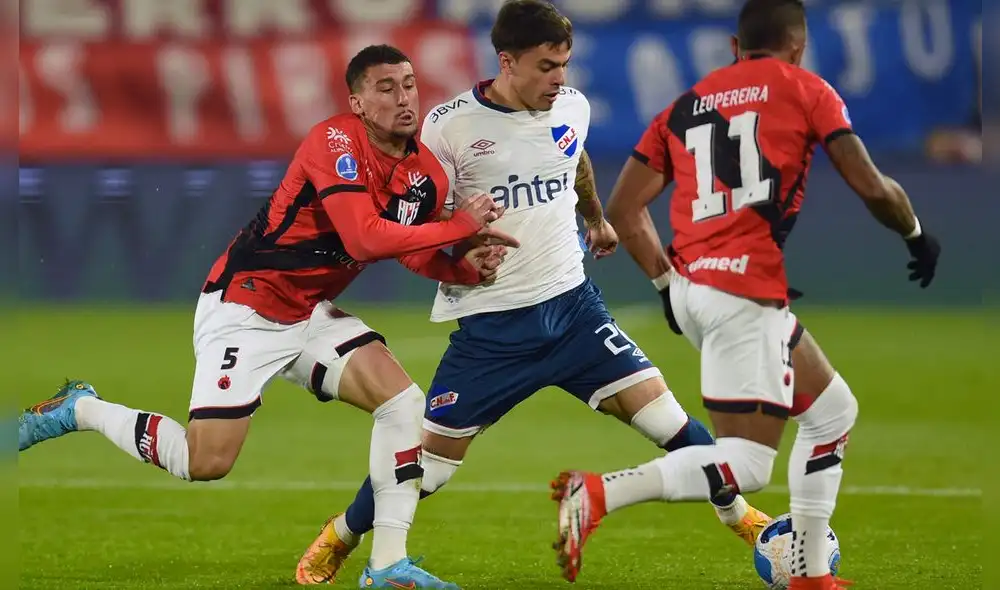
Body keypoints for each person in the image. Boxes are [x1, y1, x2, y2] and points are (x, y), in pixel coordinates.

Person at [295, 1, 771, 585]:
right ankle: (343, 533)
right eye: (546, 66)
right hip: (494, 328)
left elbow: (573, 157)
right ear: (507, 62)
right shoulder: (449, 127)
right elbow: (419, 215)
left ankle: (744, 519)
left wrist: (595, 218)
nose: (559, 78)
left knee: (670, 421)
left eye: (564, 64)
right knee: (428, 470)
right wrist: (461, 253)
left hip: (575, 312)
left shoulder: (571, 106)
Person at [18, 44, 519, 590]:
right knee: (205, 462)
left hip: (309, 313)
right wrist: (460, 225)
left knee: (402, 404)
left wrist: (464, 269)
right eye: (386, 87)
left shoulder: (425, 174)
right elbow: (363, 238)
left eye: (409, 84)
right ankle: (82, 410)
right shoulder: (334, 141)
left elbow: (411, 250)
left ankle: (386, 566)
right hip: (246, 307)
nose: (404, 98)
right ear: (356, 102)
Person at [551, 1, 942, 589]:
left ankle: (810, 574)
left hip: (697, 285)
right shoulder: (807, 89)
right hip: (742, 294)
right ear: (798, 47)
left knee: (832, 412)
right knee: (749, 464)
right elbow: (872, 187)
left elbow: (626, 208)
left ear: (735, 48)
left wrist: (666, 287)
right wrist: (915, 233)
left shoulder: (684, 107)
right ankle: (600, 492)